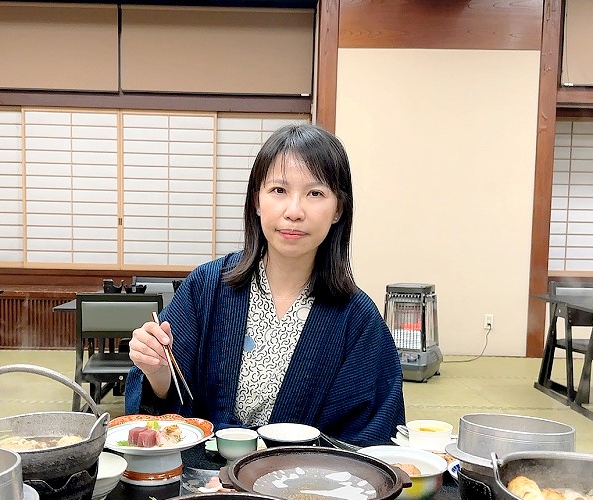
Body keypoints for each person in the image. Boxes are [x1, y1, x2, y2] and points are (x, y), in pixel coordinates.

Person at [124, 123, 405, 445]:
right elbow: (165, 410)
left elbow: (373, 434)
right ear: (257, 201)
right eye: (279, 191)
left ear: (338, 209)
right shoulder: (206, 287)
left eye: (315, 193)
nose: (294, 211)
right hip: (205, 480)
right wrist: (157, 370)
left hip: (306, 486)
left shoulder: (358, 318)